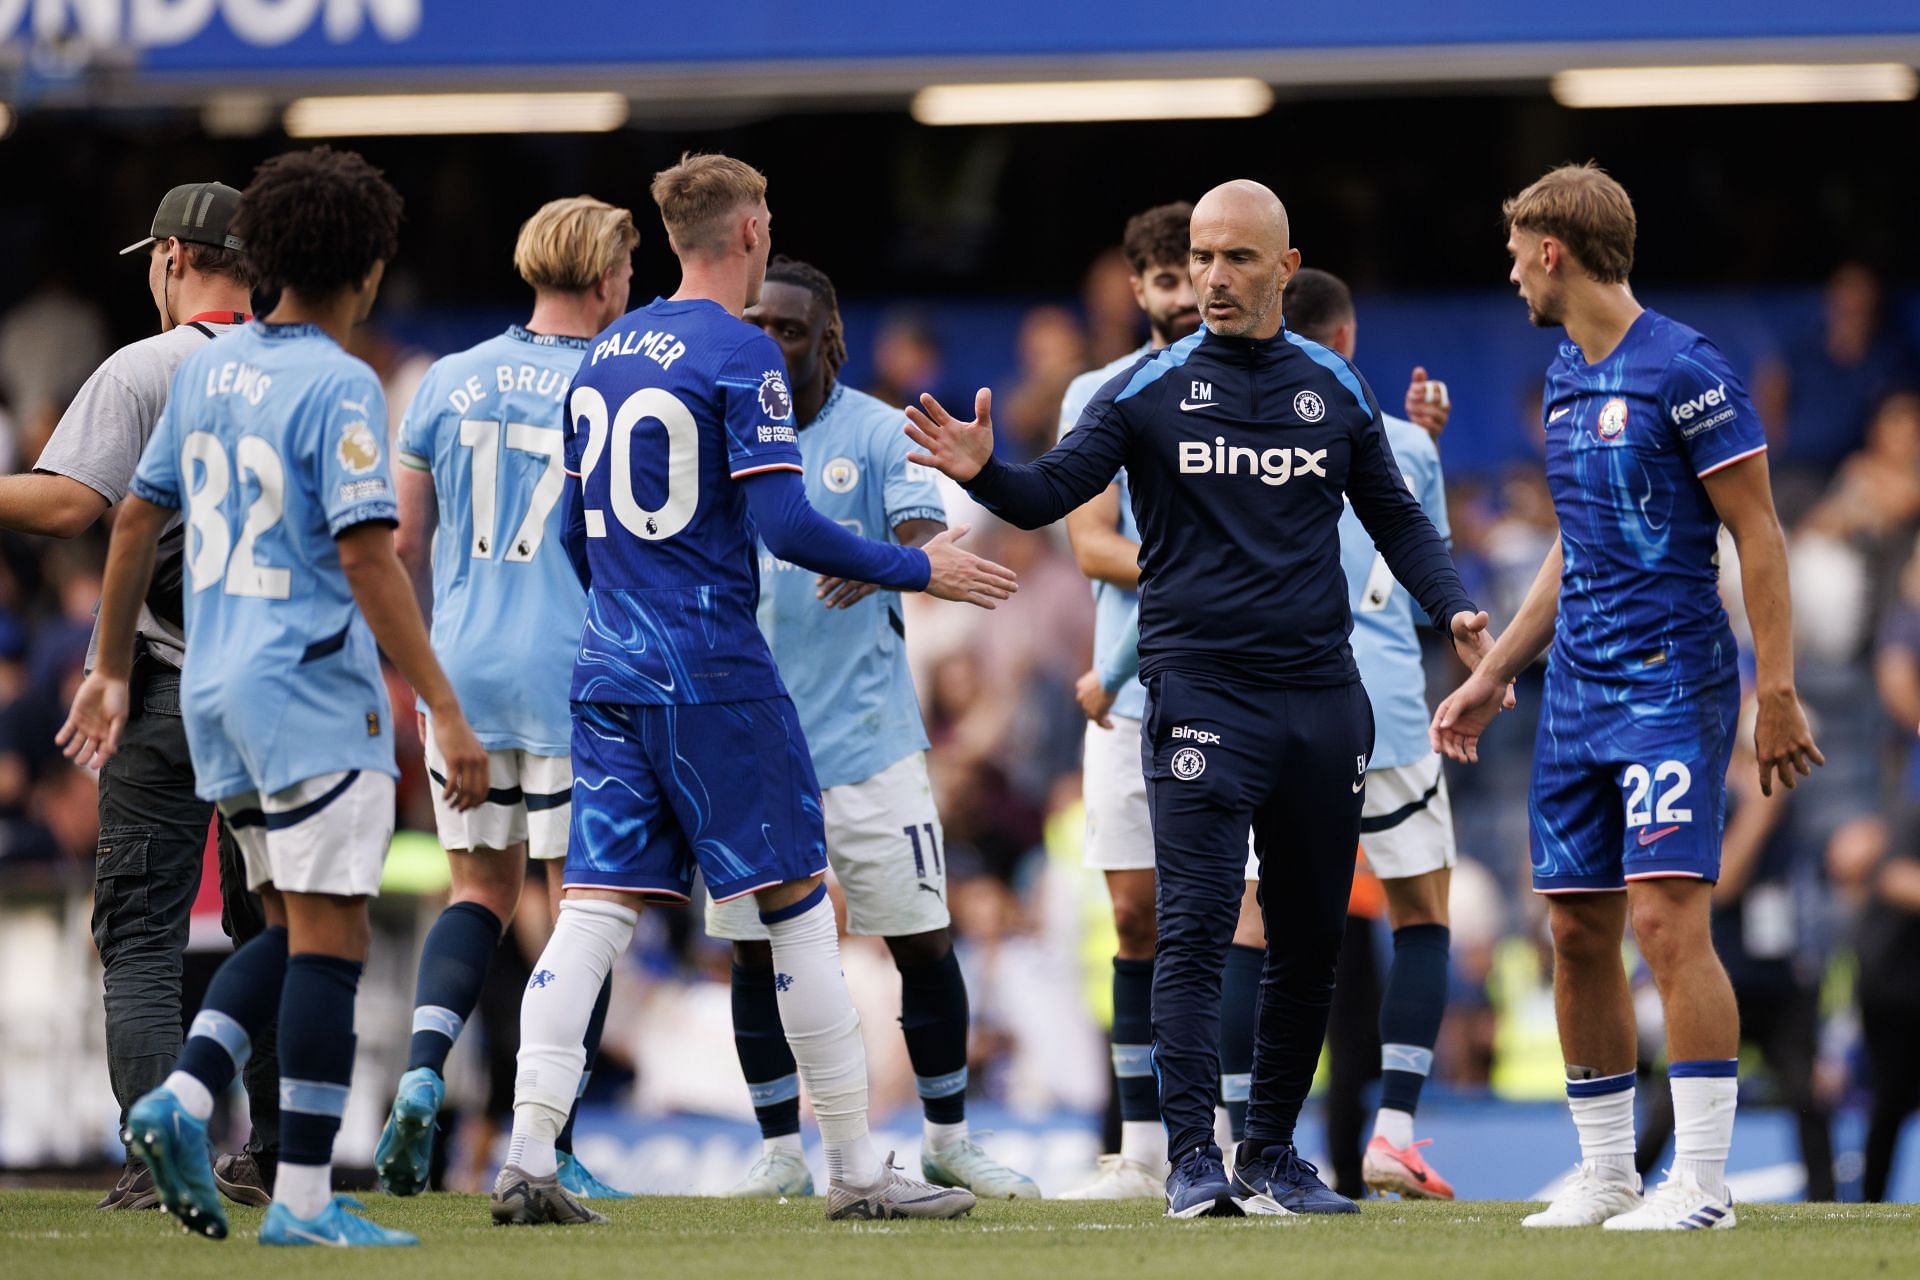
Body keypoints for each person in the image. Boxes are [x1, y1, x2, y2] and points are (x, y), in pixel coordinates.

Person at [907, 179, 1489, 1218]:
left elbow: (1399, 521)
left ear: (1284, 268)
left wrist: (1454, 609)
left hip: (1322, 702)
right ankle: (1190, 1159)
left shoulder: (1334, 388)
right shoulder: (1147, 388)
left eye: (1236, 259)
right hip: (1201, 695)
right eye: (1203, 257)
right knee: (1198, 927)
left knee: (1310, 937)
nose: (1213, 277)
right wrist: (988, 471)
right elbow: (1049, 493)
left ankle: (1271, 1152)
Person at [492, 152, 1014, 1226]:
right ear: (753, 230)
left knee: (591, 913)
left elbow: (572, 536)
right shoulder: (740, 353)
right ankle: (859, 1169)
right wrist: (920, 565)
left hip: (610, 668)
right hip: (717, 673)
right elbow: (780, 525)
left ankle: (527, 1154)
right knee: (799, 913)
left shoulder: (598, 359)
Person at [58, 145, 492, 1247]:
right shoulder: (340, 382)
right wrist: (441, 702)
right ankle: (299, 1195)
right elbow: (369, 557)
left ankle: (180, 1098)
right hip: (310, 687)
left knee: (301, 917)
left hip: (209, 690)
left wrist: (109, 666)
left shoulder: (201, 365)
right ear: (371, 266)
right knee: (330, 935)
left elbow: (129, 518)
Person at [1431, 162, 1824, 1231]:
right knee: (1575, 930)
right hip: (1575, 694)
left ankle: (1699, 1180)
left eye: (1518, 251)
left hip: (1669, 682)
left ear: (1553, 250)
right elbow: (1577, 544)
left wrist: (1774, 688)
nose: (1511, 272)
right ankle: (1606, 1170)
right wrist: (1495, 671)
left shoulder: (1687, 370)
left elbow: (1759, 530)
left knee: (1664, 919)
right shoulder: (1564, 377)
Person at [1089, 266, 1467, 1199]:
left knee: (1233, 933)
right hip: (1379, 712)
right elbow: (1423, 551)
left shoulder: (1206, 410)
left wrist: (1117, 670)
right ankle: (1389, 1131)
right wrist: (1464, 616)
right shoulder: (1393, 433)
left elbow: (1191, 569)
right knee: (1411, 920)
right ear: (1344, 344)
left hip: (1277, 697)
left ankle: (1211, 1145)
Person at [713, 254, 1038, 1201]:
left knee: (921, 939)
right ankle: (779, 1151)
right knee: (750, 949)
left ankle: (946, 1138)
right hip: (749, 735)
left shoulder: (877, 433)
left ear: (830, 340)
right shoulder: (717, 426)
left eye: (790, 330)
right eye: (758, 327)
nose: (772, 346)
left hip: (867, 737)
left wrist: (885, 559)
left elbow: (927, 548)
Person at [0, 181, 281, 1210]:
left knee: (145, 931)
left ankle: (163, 1158)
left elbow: (78, 499)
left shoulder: (146, 365)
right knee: (282, 920)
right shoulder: (309, 368)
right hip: (285, 690)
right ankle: (281, 1150)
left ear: (171, 257)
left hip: (168, 680)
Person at [372, 196, 640, 1202]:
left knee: (477, 893)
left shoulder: (444, 377)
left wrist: (424, 674)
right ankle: (551, 1139)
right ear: (606, 275)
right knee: (589, 905)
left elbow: (398, 540)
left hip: (462, 678)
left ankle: (426, 1072)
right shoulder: (613, 381)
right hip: (577, 676)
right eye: (626, 272)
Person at [1055, 201, 1202, 1201]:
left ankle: (1227, 1135)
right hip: (1127, 691)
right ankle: (1144, 1148)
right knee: (1134, 910)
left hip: (1228, 685)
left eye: (1194, 274)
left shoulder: (1256, 384)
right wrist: (1206, 567)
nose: (1185, 296)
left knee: (1230, 917)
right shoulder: (1096, 393)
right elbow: (1089, 538)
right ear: (1136, 286)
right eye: (1164, 280)